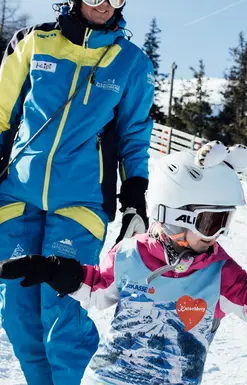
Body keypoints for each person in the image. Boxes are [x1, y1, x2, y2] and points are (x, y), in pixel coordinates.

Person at [0, 141, 247, 385]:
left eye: (226, 221)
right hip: (107, 379)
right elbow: (97, 285)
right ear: (173, 216)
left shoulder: (219, 270)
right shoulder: (129, 254)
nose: (220, 235)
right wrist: (55, 270)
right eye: (211, 222)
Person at [0, 0, 154, 383]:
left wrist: (134, 196)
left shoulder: (131, 62)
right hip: (16, 196)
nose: (104, 4)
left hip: (81, 203)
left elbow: (136, 135)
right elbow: (2, 113)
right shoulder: (34, 42)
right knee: (18, 317)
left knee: (62, 313)